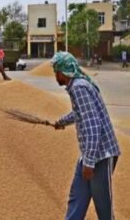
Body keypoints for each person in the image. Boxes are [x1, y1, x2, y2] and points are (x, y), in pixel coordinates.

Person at [51, 52, 121, 220]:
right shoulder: (76, 85)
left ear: (64, 71)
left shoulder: (79, 87)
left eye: (56, 71)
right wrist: (61, 122)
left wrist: (89, 162)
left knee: (103, 207)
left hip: (101, 156)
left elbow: (93, 126)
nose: (56, 75)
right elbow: (80, 113)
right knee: (77, 199)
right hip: (89, 155)